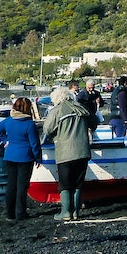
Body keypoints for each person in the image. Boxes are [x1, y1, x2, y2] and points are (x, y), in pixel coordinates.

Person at [42, 84, 95, 221]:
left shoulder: (57, 111)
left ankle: (66, 212)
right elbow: (94, 122)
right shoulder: (81, 108)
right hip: (82, 150)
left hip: (65, 152)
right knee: (78, 183)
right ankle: (76, 212)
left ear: (56, 98)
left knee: (65, 183)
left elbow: (47, 129)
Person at [1, 97, 41, 221]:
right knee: (22, 186)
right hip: (25, 157)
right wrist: (38, 158)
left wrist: (5, 141)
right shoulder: (29, 124)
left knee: (11, 185)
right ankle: (20, 213)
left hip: (10, 155)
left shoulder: (8, 121)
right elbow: (35, 143)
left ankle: (9, 213)